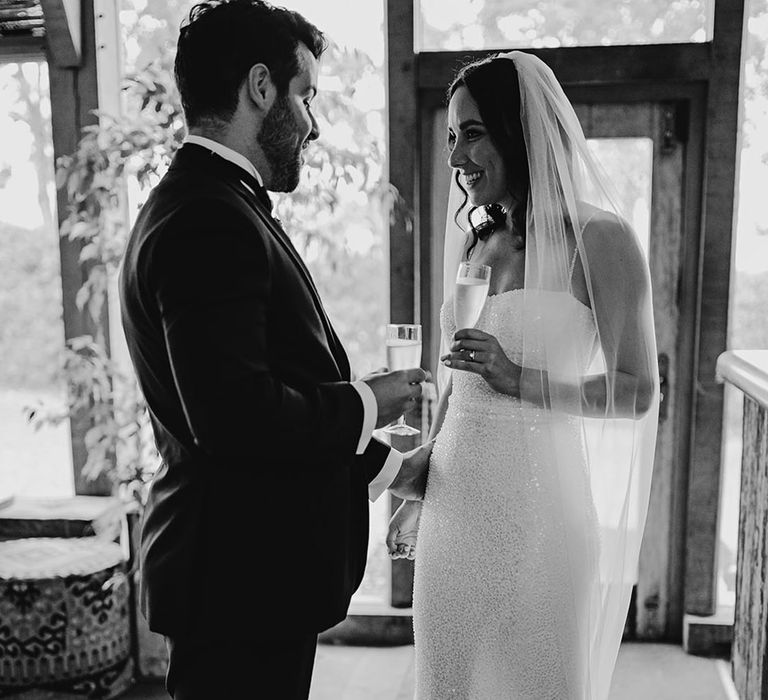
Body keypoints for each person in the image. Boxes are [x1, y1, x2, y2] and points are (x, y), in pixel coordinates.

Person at [118, 2, 432, 698]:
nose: (314, 125)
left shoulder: (211, 203)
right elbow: (236, 417)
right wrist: (369, 402)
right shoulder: (209, 219)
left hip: (243, 580)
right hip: (239, 582)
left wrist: (390, 469)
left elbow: (270, 385)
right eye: (306, 94)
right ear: (261, 88)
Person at [387, 51, 660, 700]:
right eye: (451, 137)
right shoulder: (476, 245)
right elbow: (461, 380)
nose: (457, 157)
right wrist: (415, 488)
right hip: (454, 510)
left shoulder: (603, 241)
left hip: (545, 518)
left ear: (520, 131)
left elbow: (637, 389)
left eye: (473, 133)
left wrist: (523, 378)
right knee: (446, 683)